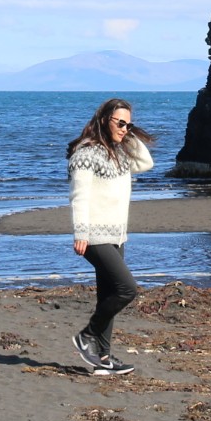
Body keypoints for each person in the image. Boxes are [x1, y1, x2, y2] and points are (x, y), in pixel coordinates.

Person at [66, 97, 153, 376]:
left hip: (116, 235)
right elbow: (79, 197)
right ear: (104, 119)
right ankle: (87, 336)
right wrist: (81, 233)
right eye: (120, 122)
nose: (125, 128)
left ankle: (103, 359)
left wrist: (129, 134)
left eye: (129, 123)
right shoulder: (85, 153)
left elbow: (145, 162)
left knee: (108, 294)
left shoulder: (120, 152)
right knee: (127, 289)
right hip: (93, 235)